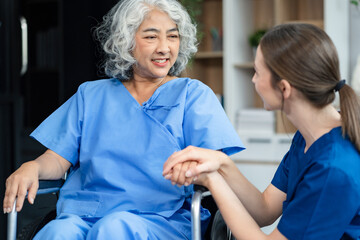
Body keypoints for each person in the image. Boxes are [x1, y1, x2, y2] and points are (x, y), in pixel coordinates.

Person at [3, 0, 244, 239]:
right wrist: (32, 167)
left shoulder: (193, 95)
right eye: (151, 37)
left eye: (173, 36)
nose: (164, 48)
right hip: (85, 214)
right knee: (58, 231)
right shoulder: (91, 95)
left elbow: (214, 163)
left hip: (162, 217)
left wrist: (191, 169)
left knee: (114, 228)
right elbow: (57, 160)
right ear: (126, 41)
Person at [163, 23, 360, 240]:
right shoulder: (308, 138)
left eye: (257, 72)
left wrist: (212, 180)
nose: (253, 79)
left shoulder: (333, 167)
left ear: (284, 88)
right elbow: (265, 210)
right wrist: (222, 163)